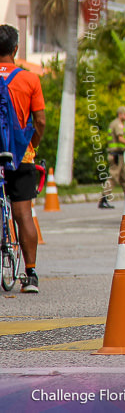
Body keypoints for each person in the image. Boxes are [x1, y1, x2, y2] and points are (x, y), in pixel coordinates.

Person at [0, 25, 45, 292]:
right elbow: (39, 120)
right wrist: (33, 145)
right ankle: (30, 275)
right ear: (15, 49)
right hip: (19, 155)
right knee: (23, 214)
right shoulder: (30, 80)